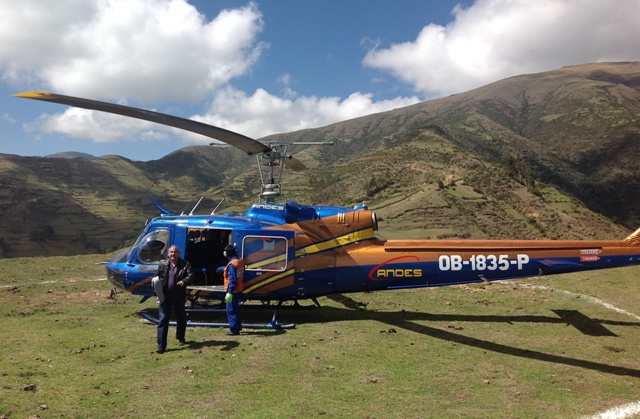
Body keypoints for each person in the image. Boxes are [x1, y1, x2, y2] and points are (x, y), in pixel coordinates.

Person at [153, 245, 194, 353]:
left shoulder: (185, 264)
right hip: (165, 297)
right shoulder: (162, 265)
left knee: (181, 318)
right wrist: (157, 291)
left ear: (178, 253)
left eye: (175, 252)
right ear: (168, 254)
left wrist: (184, 281)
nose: (173, 254)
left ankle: (181, 338)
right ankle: (161, 346)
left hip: (179, 296)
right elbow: (156, 277)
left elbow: (192, 275)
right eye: (171, 252)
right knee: (163, 320)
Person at [219, 244, 244, 335]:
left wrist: (229, 292)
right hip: (239, 289)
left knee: (231, 310)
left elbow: (232, 280)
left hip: (233, 291)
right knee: (236, 309)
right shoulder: (239, 261)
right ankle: (238, 326)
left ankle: (234, 330)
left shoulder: (232, 265)